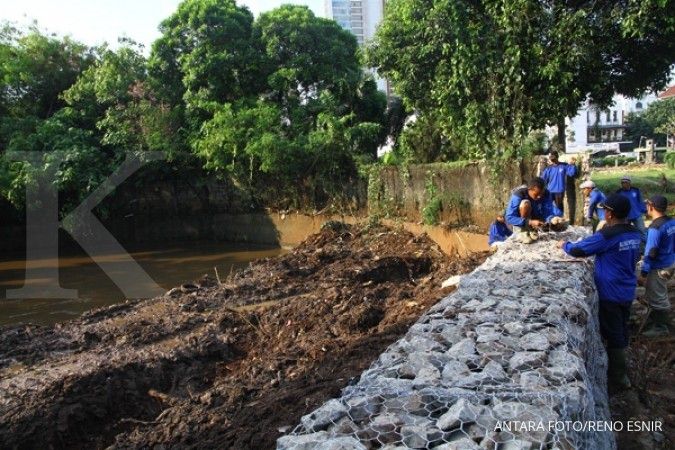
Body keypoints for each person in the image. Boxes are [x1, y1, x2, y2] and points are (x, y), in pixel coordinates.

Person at [558, 194, 641, 390]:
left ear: (610, 213)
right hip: (627, 289)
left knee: (614, 335)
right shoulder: (635, 233)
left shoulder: (608, 236)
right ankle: (621, 368)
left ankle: (619, 379)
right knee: (621, 327)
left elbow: (578, 250)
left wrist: (564, 244)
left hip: (610, 293)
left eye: (605, 210)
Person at [639, 195, 675, 337]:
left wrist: (643, 273)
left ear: (651, 207)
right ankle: (656, 321)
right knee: (659, 291)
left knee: (658, 296)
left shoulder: (655, 228)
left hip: (659, 266)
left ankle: (662, 327)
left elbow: (651, 253)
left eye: (647, 205)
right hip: (670, 262)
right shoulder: (671, 222)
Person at [505, 177, 557, 244]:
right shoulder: (519, 195)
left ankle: (533, 230)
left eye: (541, 194)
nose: (539, 197)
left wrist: (551, 219)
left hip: (535, 219)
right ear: (530, 189)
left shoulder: (546, 194)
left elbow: (548, 210)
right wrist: (529, 222)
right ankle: (523, 231)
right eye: (536, 194)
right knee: (525, 204)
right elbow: (509, 217)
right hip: (520, 222)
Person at [541, 151, 578, 217]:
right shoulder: (549, 168)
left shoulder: (564, 165)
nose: (552, 159)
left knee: (559, 207)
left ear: (557, 157)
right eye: (551, 158)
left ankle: (560, 220)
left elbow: (571, 173)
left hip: (559, 191)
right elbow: (543, 179)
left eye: (553, 157)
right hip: (549, 191)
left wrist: (573, 164)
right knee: (547, 206)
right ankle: (548, 220)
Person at [615, 175, 647, 239]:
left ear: (629, 183)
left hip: (637, 215)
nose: (623, 184)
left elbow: (640, 200)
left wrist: (644, 210)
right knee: (625, 232)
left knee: (642, 230)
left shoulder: (636, 190)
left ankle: (645, 245)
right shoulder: (619, 192)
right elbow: (617, 204)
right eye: (622, 183)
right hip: (625, 217)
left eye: (625, 182)